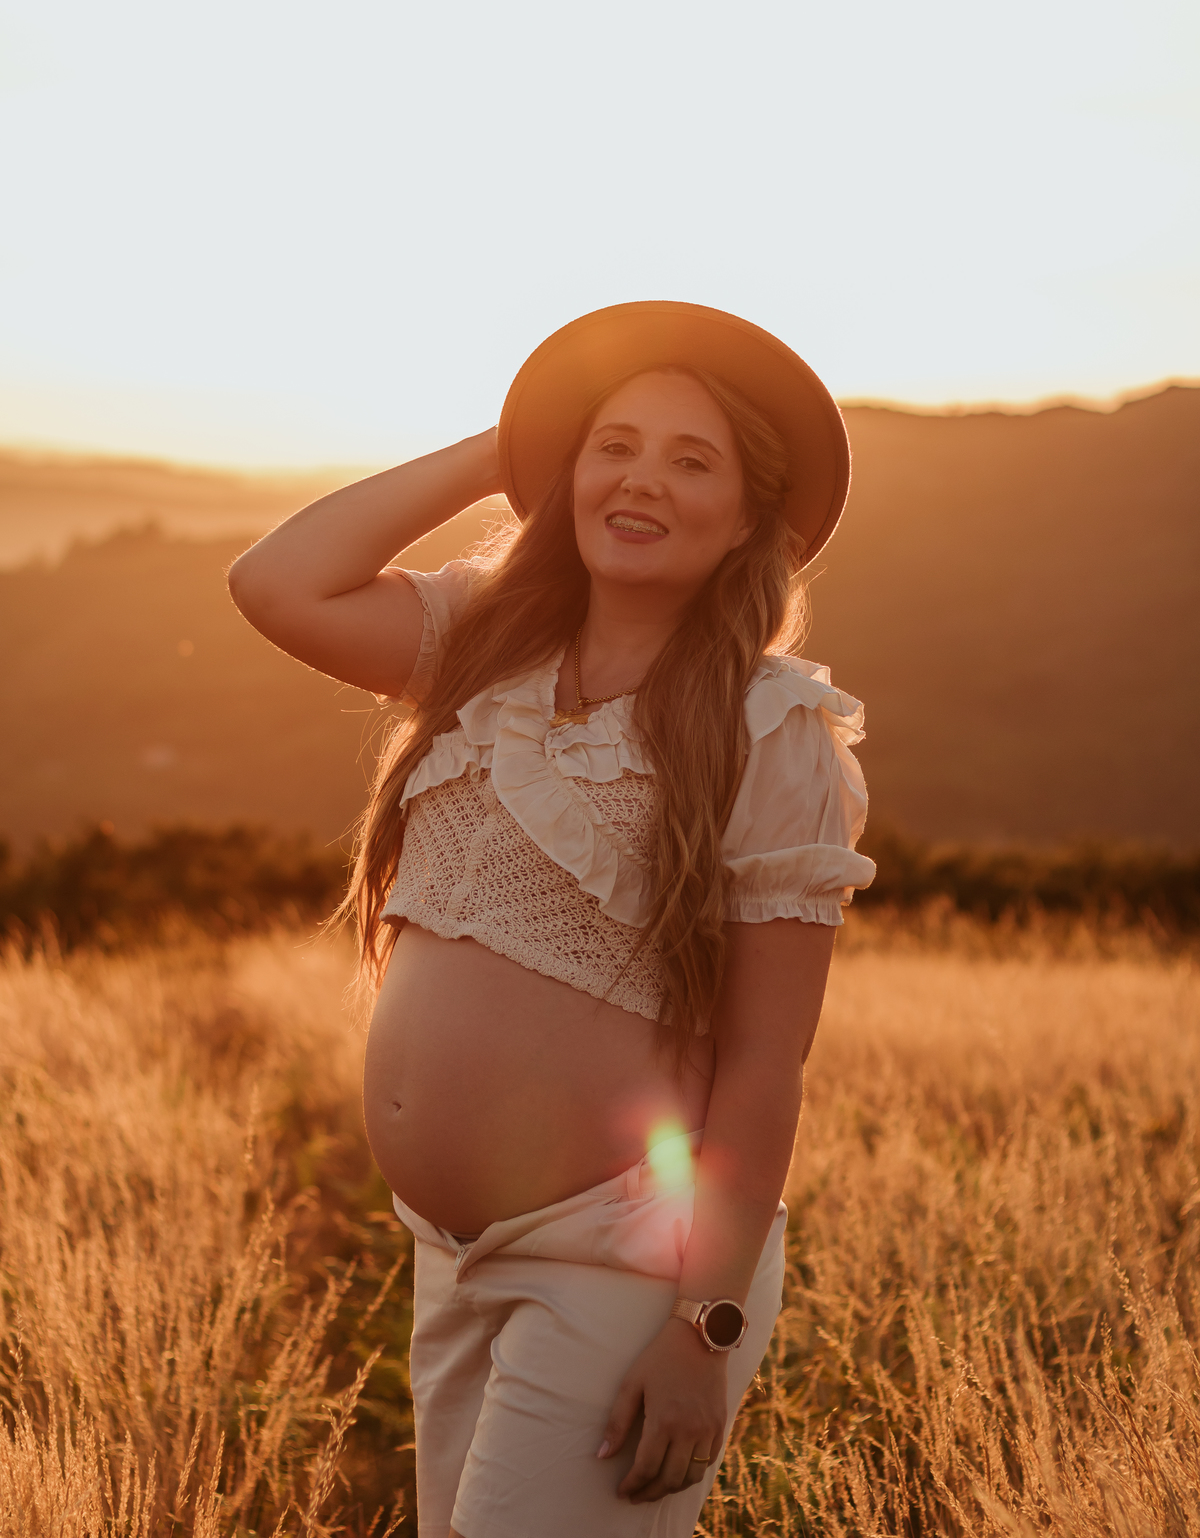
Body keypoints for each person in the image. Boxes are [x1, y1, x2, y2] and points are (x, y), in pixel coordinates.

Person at [227, 300, 875, 1538]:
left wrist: (705, 1331)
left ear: (750, 519)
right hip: (451, 1251)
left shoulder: (769, 729)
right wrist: (513, 440)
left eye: (695, 462)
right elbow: (276, 582)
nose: (642, 480)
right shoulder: (484, 642)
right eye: (613, 444)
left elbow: (762, 1066)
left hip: (621, 1262)